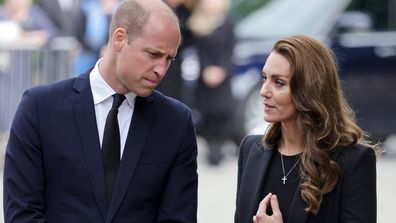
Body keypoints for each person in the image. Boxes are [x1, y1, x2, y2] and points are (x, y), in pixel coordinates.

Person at [3, 0, 198, 222]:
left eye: (169, 59)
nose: (161, 69)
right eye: (153, 54)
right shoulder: (40, 108)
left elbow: (178, 217)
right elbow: (22, 213)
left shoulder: (176, 122)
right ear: (119, 39)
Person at [234, 35, 381, 223]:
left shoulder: (353, 161)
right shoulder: (250, 150)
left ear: (309, 90)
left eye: (278, 82)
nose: (264, 91)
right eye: (265, 78)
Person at [187, 0, 236, 166]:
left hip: (223, 77)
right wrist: (206, 70)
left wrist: (222, 70)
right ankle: (210, 146)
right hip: (205, 77)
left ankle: (219, 146)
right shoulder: (198, 23)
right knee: (206, 112)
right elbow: (198, 52)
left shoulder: (228, 23)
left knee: (221, 113)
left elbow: (230, 51)